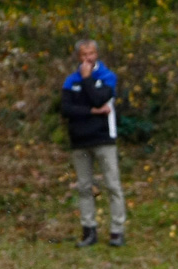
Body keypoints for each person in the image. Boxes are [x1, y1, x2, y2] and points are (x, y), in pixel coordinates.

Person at [60, 38, 127, 248]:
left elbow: (100, 98)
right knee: (84, 187)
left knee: (112, 185)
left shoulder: (107, 77)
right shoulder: (70, 81)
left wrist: (88, 80)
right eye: (83, 55)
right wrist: (91, 111)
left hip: (104, 138)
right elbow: (66, 109)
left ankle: (117, 231)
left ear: (96, 54)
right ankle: (88, 231)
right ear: (78, 57)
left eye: (90, 54)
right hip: (80, 141)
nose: (87, 58)